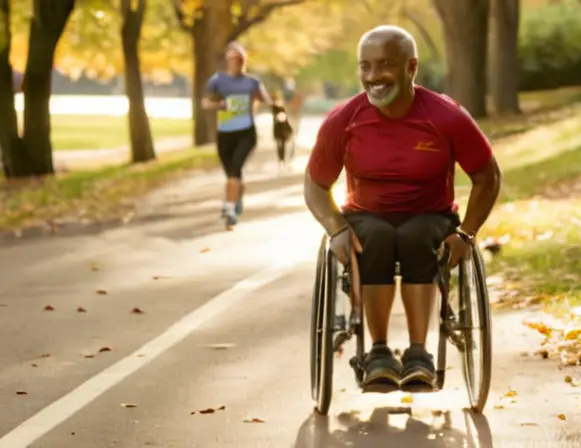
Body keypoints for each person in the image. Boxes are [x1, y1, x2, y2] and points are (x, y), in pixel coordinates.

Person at [304, 25, 502, 393]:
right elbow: (315, 184)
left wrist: (466, 234)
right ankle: (377, 353)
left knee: (415, 239)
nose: (373, 77)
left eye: (385, 65)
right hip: (365, 214)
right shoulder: (344, 119)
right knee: (374, 238)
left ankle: (418, 355)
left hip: (431, 214)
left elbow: (487, 176)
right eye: (365, 67)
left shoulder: (446, 116)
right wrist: (335, 228)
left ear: (411, 68)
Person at [203, 42, 272, 228]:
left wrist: (272, 105)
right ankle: (237, 197)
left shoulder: (252, 82)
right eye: (232, 58)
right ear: (227, 60)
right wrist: (219, 105)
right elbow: (206, 103)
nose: (235, 61)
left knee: (234, 170)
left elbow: (267, 100)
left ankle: (229, 209)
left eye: (239, 58)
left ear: (244, 61)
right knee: (232, 173)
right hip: (225, 133)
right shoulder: (217, 81)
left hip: (246, 133)